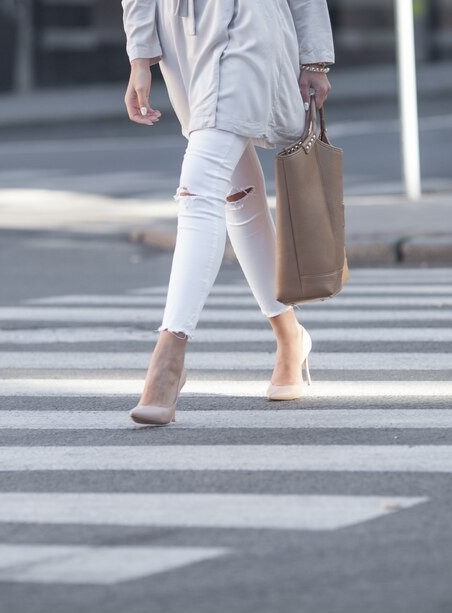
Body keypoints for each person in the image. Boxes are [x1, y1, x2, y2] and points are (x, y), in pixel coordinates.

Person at [122, 0, 334, 425]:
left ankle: (169, 357)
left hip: (250, 25)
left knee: (200, 187)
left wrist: (315, 58)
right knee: (238, 192)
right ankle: (289, 334)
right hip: (182, 33)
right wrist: (140, 54)